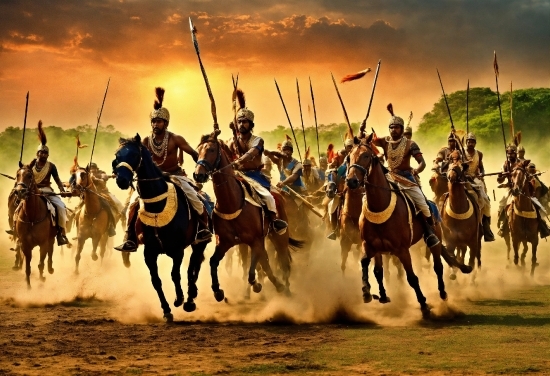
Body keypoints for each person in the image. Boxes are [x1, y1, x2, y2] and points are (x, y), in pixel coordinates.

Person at [115, 87, 212, 252]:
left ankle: (202, 228)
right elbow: (135, 159)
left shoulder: (175, 139)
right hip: (153, 180)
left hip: (176, 176)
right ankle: (129, 237)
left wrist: (203, 168)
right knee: (132, 203)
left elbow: (194, 154)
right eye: (153, 121)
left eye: (159, 121)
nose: (155, 124)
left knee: (193, 196)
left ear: (166, 123)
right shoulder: (145, 141)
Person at [367, 104, 440, 248]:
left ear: (402, 128)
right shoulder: (384, 141)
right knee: (368, 197)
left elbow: (422, 163)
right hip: (389, 177)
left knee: (423, 204)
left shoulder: (410, 144)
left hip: (407, 179)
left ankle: (429, 231)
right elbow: (368, 141)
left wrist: (416, 171)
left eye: (397, 127)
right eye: (391, 127)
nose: (394, 130)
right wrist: (361, 130)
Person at [228, 103, 288, 234]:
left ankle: (273, 221)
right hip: (237, 175)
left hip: (255, 176)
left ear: (251, 124)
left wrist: (239, 160)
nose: (242, 124)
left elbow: (252, 153)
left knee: (269, 197)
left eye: (245, 122)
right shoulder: (232, 142)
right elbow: (225, 153)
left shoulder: (257, 140)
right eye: (239, 122)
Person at [497, 145, 550, 238]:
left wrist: (531, 172)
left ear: (515, 153)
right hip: (511, 189)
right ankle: (503, 226)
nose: (510, 155)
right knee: (502, 204)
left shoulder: (522, 163)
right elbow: (499, 180)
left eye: (512, 153)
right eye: (508, 153)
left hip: (523, 190)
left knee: (537, 205)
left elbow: (529, 175)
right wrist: (502, 176)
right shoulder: (505, 164)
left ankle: (542, 226)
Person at [29, 122, 69, 245]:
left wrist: (62, 190)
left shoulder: (51, 166)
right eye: (41, 152)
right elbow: (24, 176)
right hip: (32, 191)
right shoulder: (30, 165)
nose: (43, 155)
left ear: (48, 155)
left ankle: (61, 233)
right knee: (16, 203)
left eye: (45, 153)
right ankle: (15, 228)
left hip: (47, 191)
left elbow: (57, 180)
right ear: (37, 154)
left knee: (61, 208)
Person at [463, 132, 494, 241]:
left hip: (476, 179)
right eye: (468, 141)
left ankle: (486, 226)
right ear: (466, 142)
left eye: (472, 142)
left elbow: (481, 167)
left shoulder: (479, 154)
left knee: (485, 200)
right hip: (463, 179)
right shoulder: (461, 152)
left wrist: (481, 173)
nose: (470, 143)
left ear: (475, 143)